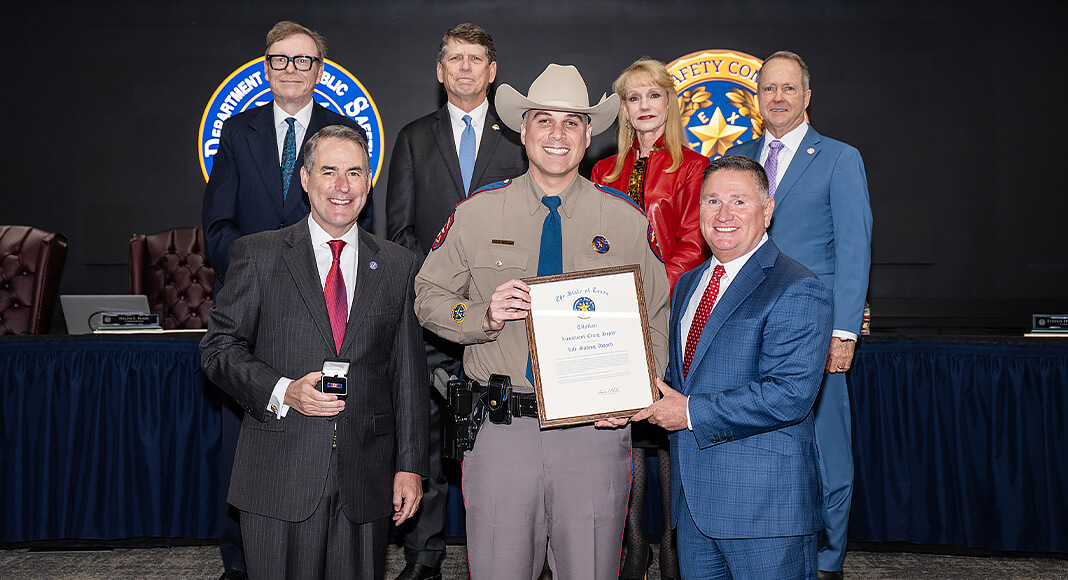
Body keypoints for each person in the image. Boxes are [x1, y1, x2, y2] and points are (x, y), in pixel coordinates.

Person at [413, 63, 669, 580]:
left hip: (594, 432)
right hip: (502, 431)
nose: (558, 134)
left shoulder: (624, 220)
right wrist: (480, 315)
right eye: (544, 120)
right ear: (523, 129)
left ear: (588, 134)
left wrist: (636, 391)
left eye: (572, 122)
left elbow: (657, 314)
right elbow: (427, 295)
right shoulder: (477, 213)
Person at [200, 125, 428, 580]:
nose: (342, 186)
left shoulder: (398, 265)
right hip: (278, 477)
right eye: (328, 172)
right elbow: (218, 349)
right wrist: (283, 391)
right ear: (305, 179)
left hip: (365, 482)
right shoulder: (258, 255)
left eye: (354, 173)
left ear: (368, 183)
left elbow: (408, 375)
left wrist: (410, 467)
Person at [201, 21, 369, 579]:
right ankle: (240, 560)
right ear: (266, 67)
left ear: (319, 70)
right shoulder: (237, 130)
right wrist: (258, 275)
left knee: (320, 430)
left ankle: (317, 548)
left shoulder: (342, 132)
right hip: (251, 303)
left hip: (324, 304)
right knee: (244, 435)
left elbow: (355, 216)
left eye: (303, 60)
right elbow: (218, 224)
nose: (291, 69)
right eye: (280, 59)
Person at [632, 154, 832, 579]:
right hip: (693, 511)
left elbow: (788, 395)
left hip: (765, 514)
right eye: (712, 201)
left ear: (768, 210)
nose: (723, 215)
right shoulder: (688, 284)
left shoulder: (797, 286)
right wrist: (625, 398)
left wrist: (688, 412)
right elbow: (681, 380)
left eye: (739, 201)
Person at [384, 23, 526, 580]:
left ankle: (511, 553)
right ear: (440, 71)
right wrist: (442, 288)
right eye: (455, 59)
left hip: (503, 318)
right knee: (424, 437)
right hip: (431, 319)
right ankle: (424, 557)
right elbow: (399, 230)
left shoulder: (519, 139)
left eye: (476, 59)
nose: (465, 67)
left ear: (492, 72)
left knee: (501, 441)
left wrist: (485, 294)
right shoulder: (413, 137)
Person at [725, 50, 873, 580]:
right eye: (768, 88)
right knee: (757, 446)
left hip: (814, 330)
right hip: (746, 328)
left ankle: (827, 561)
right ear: (756, 98)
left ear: (807, 96)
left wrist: (844, 332)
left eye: (789, 88)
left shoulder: (839, 158)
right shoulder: (738, 159)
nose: (778, 97)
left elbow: (855, 249)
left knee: (827, 450)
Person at [591, 57, 709, 580]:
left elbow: (693, 243)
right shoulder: (603, 171)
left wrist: (648, 295)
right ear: (623, 108)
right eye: (633, 97)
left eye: (653, 95)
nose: (643, 106)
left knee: (667, 431)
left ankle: (675, 552)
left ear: (669, 103)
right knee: (627, 434)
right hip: (613, 316)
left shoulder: (695, 167)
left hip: (670, 314)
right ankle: (635, 548)